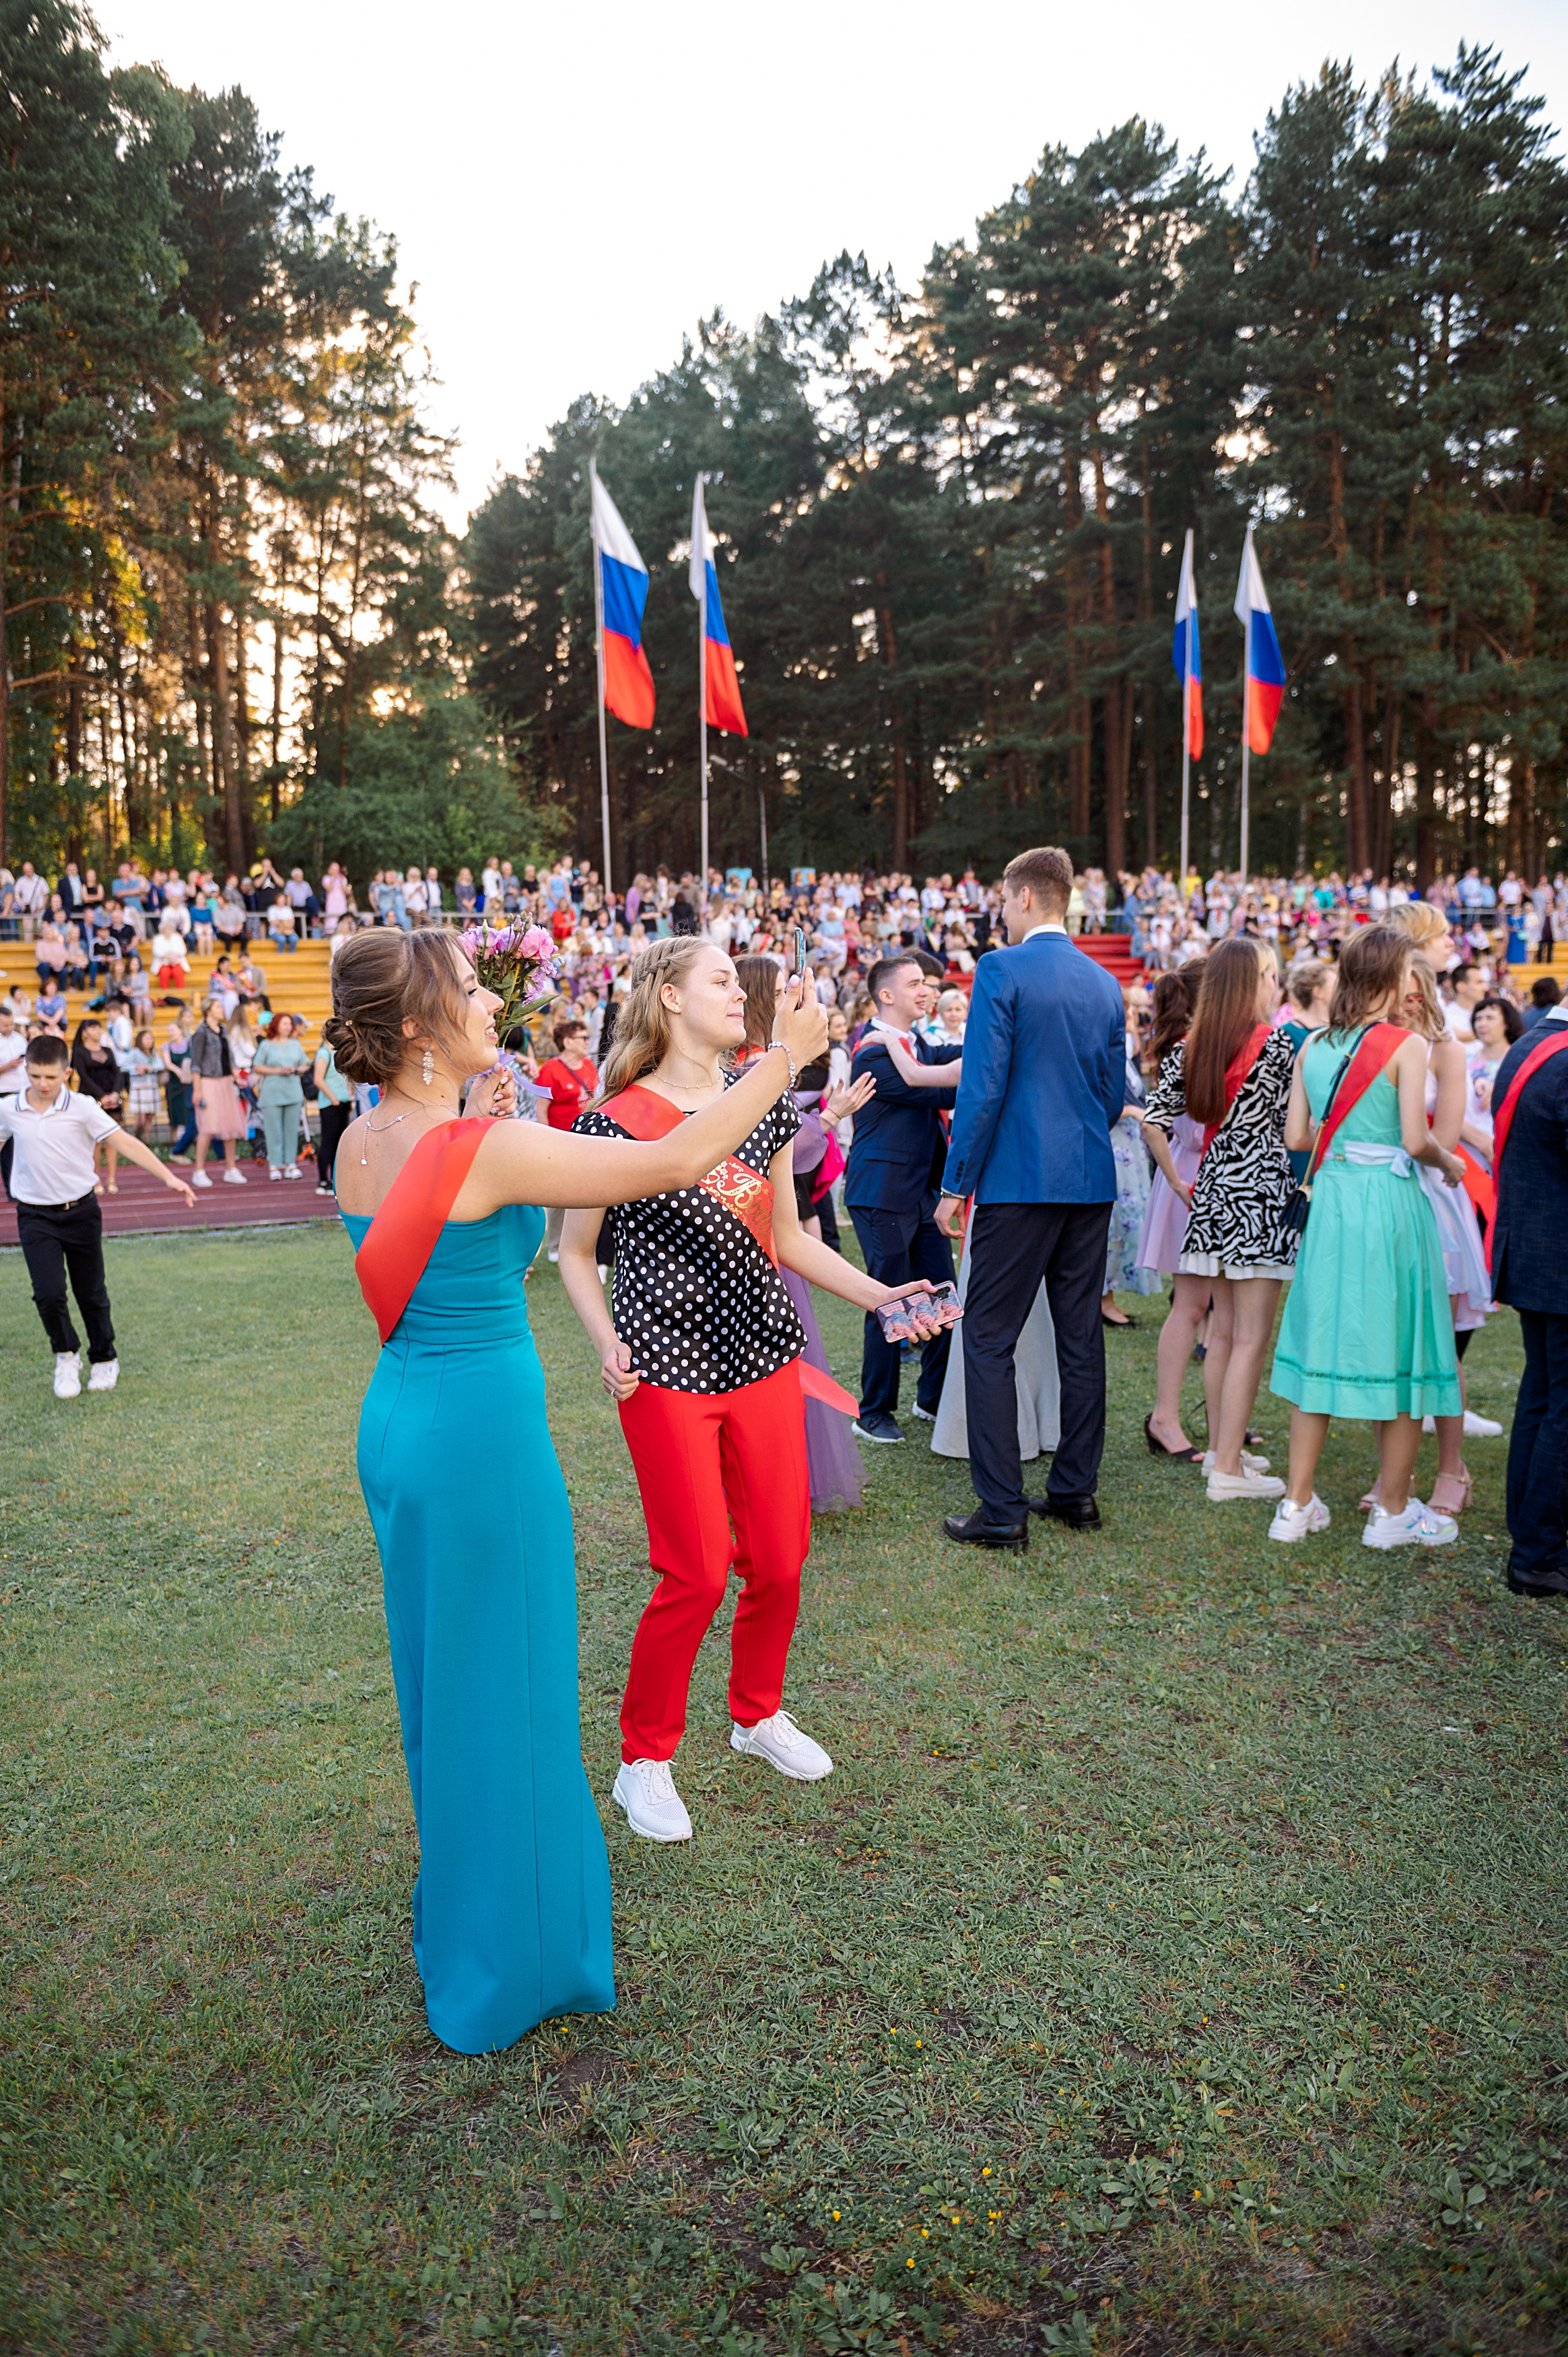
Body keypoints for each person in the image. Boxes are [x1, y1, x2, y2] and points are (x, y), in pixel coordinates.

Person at [329, 925, 827, 2049]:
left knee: (446, 1688)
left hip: (403, 1420)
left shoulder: (368, 1135)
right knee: (508, 1684)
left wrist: (479, 1112)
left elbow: (446, 1208)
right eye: (467, 991)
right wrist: (780, 1061)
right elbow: (668, 1164)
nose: (487, 1003)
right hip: (478, 1443)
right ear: (414, 1027)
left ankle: (474, 1916)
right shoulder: (481, 1147)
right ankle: (515, 1959)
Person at [559, 937, 933, 1845]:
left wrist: (880, 1294)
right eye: (722, 979)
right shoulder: (610, 1121)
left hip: (764, 1356)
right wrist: (606, 1340)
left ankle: (755, 1713)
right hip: (663, 1370)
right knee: (691, 1570)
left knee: (779, 1556)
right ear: (668, 999)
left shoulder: (754, 1108)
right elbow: (574, 1254)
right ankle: (643, 1760)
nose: (741, 992)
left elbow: (789, 1238)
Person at [933, 846, 1124, 1546]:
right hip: (1087, 1176)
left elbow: (980, 1087)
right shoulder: (1104, 983)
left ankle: (1003, 1508)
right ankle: (1075, 1491)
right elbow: (1110, 1095)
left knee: (986, 1336)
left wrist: (956, 1182)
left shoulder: (1001, 968)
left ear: (1021, 898)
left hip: (1018, 1179)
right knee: (1080, 1335)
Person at [1268, 927, 1467, 1547]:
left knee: (1320, 1334)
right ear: (1388, 978)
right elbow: (1414, 1139)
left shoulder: (1315, 1045)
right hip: (1387, 1203)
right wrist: (1448, 1163)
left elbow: (1296, 1139)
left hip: (1332, 1200)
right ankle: (1393, 1510)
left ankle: (1295, 1505)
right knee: (1405, 1343)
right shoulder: (1405, 1045)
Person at [1143, 936, 1297, 1506]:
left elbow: (1152, 1123)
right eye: (1269, 974)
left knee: (1225, 1334)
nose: (1273, 983)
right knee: (1248, 1338)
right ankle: (1228, 1463)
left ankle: (1223, 1452)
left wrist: (1180, 1181)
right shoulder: (1278, 1045)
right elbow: (1298, 1128)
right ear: (1253, 981)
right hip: (1259, 1197)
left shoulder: (1192, 1045)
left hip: (1210, 1195)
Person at [0, 1031, 195, 1397]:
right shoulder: (9, 1108)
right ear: (26, 1069)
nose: (43, 1084)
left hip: (81, 1212)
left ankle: (104, 1357)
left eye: (51, 1077)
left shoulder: (83, 1107)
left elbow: (125, 1142)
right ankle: (65, 1355)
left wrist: (170, 1178)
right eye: (36, 1076)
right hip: (34, 1215)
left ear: (67, 1073)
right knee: (48, 1294)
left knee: (91, 1292)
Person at [842, 952, 962, 1445]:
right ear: (885, 995)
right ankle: (873, 1411)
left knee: (941, 1297)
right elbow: (944, 1091)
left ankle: (931, 1399)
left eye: (928, 984)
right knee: (889, 1300)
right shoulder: (873, 1052)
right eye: (915, 983)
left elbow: (958, 1062)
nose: (926, 991)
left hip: (921, 1195)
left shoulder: (915, 1046)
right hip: (882, 1193)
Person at [1488, 985, 1568, 1595]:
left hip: (1534, 1249)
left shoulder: (1529, 1044)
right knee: (1559, 1406)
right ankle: (1538, 1551)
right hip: (1557, 1255)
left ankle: (1530, 1534)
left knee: (1541, 1396)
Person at [1137, 964, 1209, 1461]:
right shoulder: (1188, 1048)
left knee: (1216, 1308)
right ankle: (1164, 1416)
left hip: (1208, 1173)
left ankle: (1223, 1414)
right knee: (1191, 1303)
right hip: (1192, 1173)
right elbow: (1161, 1124)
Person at [535, 1016, 599, 1260]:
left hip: (586, 1139)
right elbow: (542, 1108)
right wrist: (547, 1139)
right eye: (583, 1037)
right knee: (558, 1195)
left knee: (583, 1192)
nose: (587, 1042)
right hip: (560, 1139)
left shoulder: (588, 1066)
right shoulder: (550, 1069)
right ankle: (555, 1246)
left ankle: (580, 1244)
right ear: (567, 1042)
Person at [188, 998, 248, 1187]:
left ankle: (231, 1169)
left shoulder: (223, 1031)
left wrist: (236, 1076)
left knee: (230, 1126)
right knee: (208, 1127)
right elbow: (196, 1064)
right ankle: (199, 1170)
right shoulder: (201, 1033)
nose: (222, 1010)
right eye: (218, 1007)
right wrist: (197, 1090)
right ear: (208, 1011)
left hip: (225, 1082)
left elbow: (228, 1060)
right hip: (208, 1082)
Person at [71, 1018, 123, 1194]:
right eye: (93, 1029)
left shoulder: (108, 1050)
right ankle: (96, 1179)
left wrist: (115, 1094)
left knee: (113, 1140)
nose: (98, 1031)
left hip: (112, 1099)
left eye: (99, 1028)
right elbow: (84, 1076)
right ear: (85, 1033)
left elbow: (117, 1072)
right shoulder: (79, 1052)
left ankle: (112, 1179)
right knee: (95, 1142)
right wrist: (101, 1096)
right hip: (91, 1099)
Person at [253, 1013, 308, 1178]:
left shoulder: (295, 1044)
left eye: (290, 1024)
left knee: (291, 1129)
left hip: (292, 1091)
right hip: (272, 1093)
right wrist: (278, 1071)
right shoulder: (267, 1045)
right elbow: (257, 1067)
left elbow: (305, 1064)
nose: (288, 1027)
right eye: (285, 1024)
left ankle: (291, 1164)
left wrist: (296, 1070)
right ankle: (275, 1165)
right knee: (273, 1130)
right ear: (276, 1025)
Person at [312, 1034, 353, 1196]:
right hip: (331, 1104)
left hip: (342, 1102)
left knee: (339, 1142)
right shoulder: (324, 1053)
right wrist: (333, 1098)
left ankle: (336, 1179)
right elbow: (318, 1079)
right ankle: (323, 1180)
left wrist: (349, 1095)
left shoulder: (338, 1052)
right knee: (328, 1142)